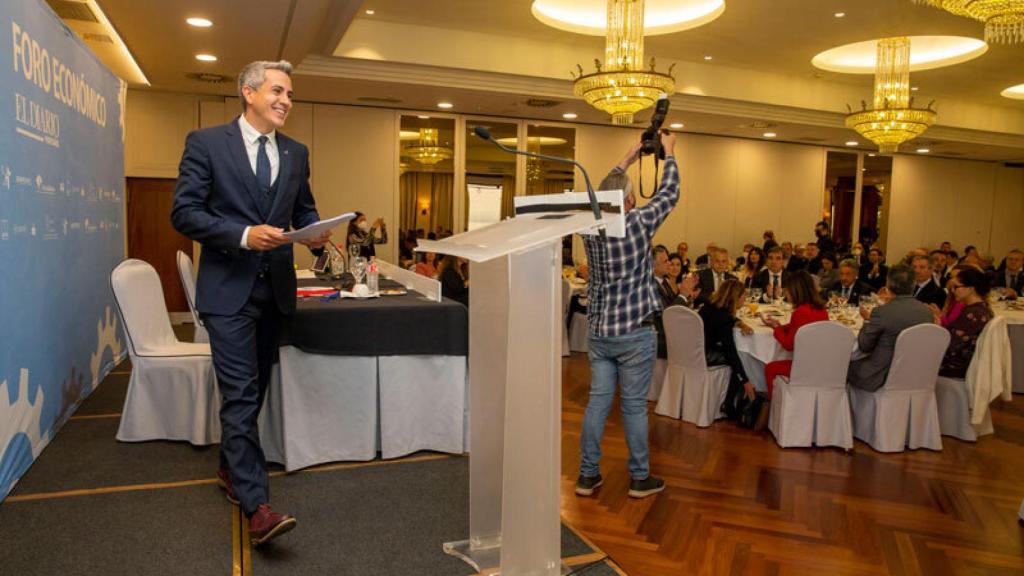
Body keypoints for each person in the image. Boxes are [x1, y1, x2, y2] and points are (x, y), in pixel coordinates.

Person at [170, 60, 330, 546]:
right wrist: (241, 235)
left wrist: (316, 234)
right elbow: (185, 212)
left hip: (275, 291)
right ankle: (256, 506)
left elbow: (302, 207)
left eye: (290, 94)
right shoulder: (206, 144)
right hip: (227, 291)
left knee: (254, 388)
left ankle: (229, 468)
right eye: (278, 91)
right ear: (249, 93)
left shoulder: (296, 152)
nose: (286, 100)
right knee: (240, 395)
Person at [576, 131, 679, 501]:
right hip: (635, 333)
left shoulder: (590, 228)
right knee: (634, 407)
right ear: (632, 200)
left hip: (601, 332)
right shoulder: (637, 224)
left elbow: (600, 196)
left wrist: (624, 160)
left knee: (597, 403)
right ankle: (639, 478)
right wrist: (667, 156)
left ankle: (587, 476)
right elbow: (669, 195)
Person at [848, 265, 934, 391]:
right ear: (913, 284)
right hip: (916, 373)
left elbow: (864, 346)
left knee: (843, 365)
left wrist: (867, 320)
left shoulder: (882, 312)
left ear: (888, 284)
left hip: (882, 375)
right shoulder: (926, 312)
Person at [761, 271, 829, 397]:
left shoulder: (800, 312)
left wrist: (776, 329)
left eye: (788, 290)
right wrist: (781, 326)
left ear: (796, 291)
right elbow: (802, 327)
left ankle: (772, 405)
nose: (786, 293)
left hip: (804, 367)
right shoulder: (821, 309)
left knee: (770, 368)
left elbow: (788, 344)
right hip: (822, 364)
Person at [698, 280, 755, 417]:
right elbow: (730, 352)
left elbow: (729, 318)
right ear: (736, 297)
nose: (745, 300)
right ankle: (728, 404)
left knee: (736, 360)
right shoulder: (723, 319)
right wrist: (745, 381)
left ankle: (728, 403)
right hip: (705, 355)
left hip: (694, 350)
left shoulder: (708, 307)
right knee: (738, 360)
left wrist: (739, 322)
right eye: (743, 297)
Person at [934, 267, 993, 378]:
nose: (952, 290)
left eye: (956, 287)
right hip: (967, 362)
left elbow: (951, 345)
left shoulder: (972, 314)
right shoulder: (983, 309)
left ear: (971, 288)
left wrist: (938, 328)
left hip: (958, 366)